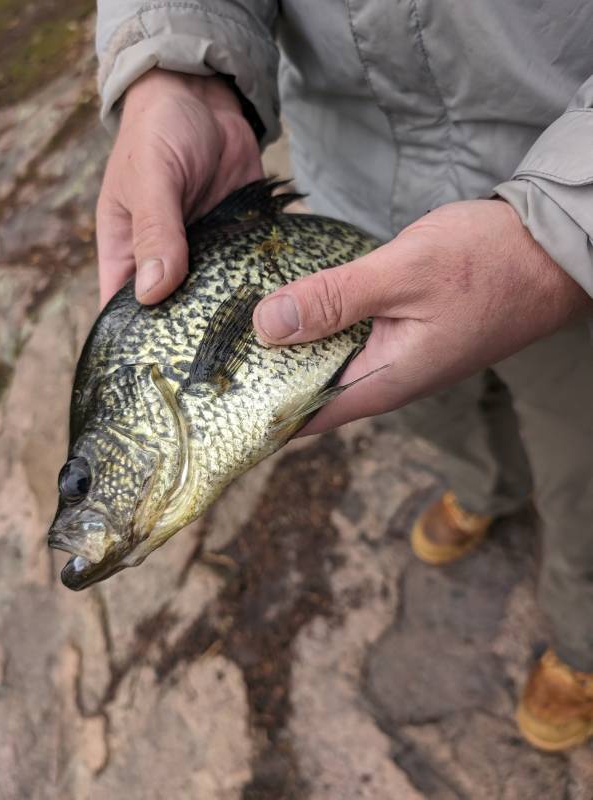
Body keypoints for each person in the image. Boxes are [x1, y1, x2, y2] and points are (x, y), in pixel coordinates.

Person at [95, 1, 593, 751]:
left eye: (82, 481)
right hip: (356, 202)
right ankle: (486, 487)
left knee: (582, 459)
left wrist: (566, 220)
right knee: (431, 408)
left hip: (560, 216)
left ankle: (583, 637)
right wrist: (175, 61)